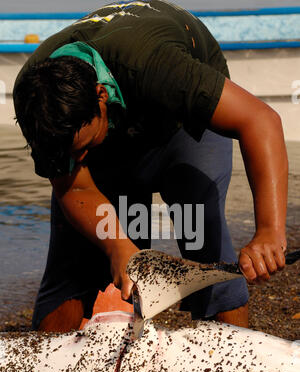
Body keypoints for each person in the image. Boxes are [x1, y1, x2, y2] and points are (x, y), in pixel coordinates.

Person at [13, 0, 288, 333]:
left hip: (180, 125)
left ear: (101, 96)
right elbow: (77, 186)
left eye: (83, 149)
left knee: (200, 231)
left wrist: (269, 232)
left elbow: (261, 121)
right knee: (77, 261)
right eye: (72, 154)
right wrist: (118, 245)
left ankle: (237, 369)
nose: (80, 161)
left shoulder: (158, 66)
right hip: (112, 127)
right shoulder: (36, 98)